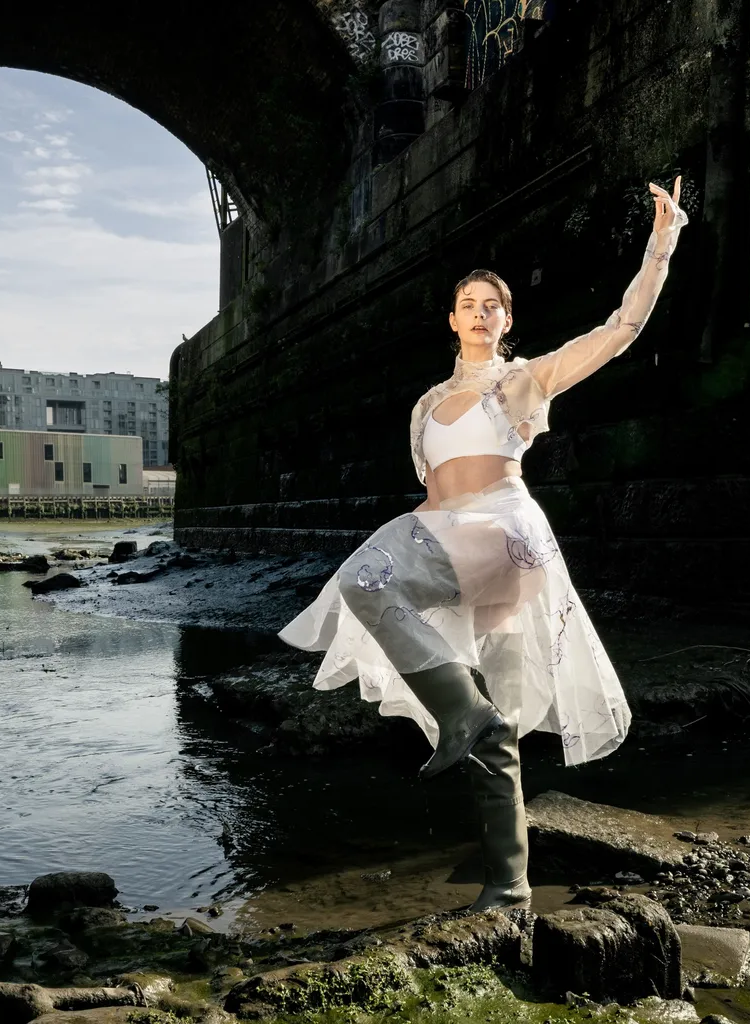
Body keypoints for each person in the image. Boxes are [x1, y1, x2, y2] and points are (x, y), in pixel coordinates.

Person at [280, 177, 688, 912]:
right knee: (371, 586)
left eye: (492, 305)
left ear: (507, 320)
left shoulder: (524, 382)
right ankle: (508, 885)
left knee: (449, 665)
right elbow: (431, 491)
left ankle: (469, 729)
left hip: (504, 535)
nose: (480, 313)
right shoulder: (427, 405)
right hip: (442, 529)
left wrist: (662, 242)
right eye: (469, 304)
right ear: (452, 319)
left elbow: (621, 329)